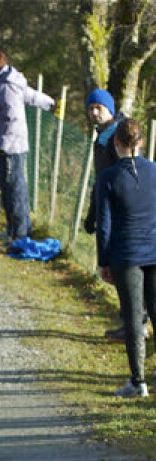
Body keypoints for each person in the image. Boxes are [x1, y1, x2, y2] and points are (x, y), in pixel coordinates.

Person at [95, 118, 156, 399]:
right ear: (141, 142)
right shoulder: (154, 171)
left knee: (133, 317)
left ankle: (137, 380)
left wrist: (103, 261)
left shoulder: (108, 177)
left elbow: (104, 225)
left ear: (116, 143)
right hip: (154, 250)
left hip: (126, 254)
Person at [82, 88, 144, 344]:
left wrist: (97, 211)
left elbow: (111, 179)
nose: (95, 113)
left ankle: (135, 324)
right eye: (91, 109)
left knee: (124, 270)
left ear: (110, 108)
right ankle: (131, 322)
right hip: (114, 207)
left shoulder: (114, 136)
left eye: (99, 108)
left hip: (120, 211)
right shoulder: (105, 135)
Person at [0, 50, 55, 245]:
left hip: (8, 145)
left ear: (0, 63)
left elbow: (12, 114)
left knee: (13, 189)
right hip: (4, 143)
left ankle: (19, 232)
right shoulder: (4, 81)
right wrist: (50, 103)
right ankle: (15, 229)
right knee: (11, 187)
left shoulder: (6, 85)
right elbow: (30, 96)